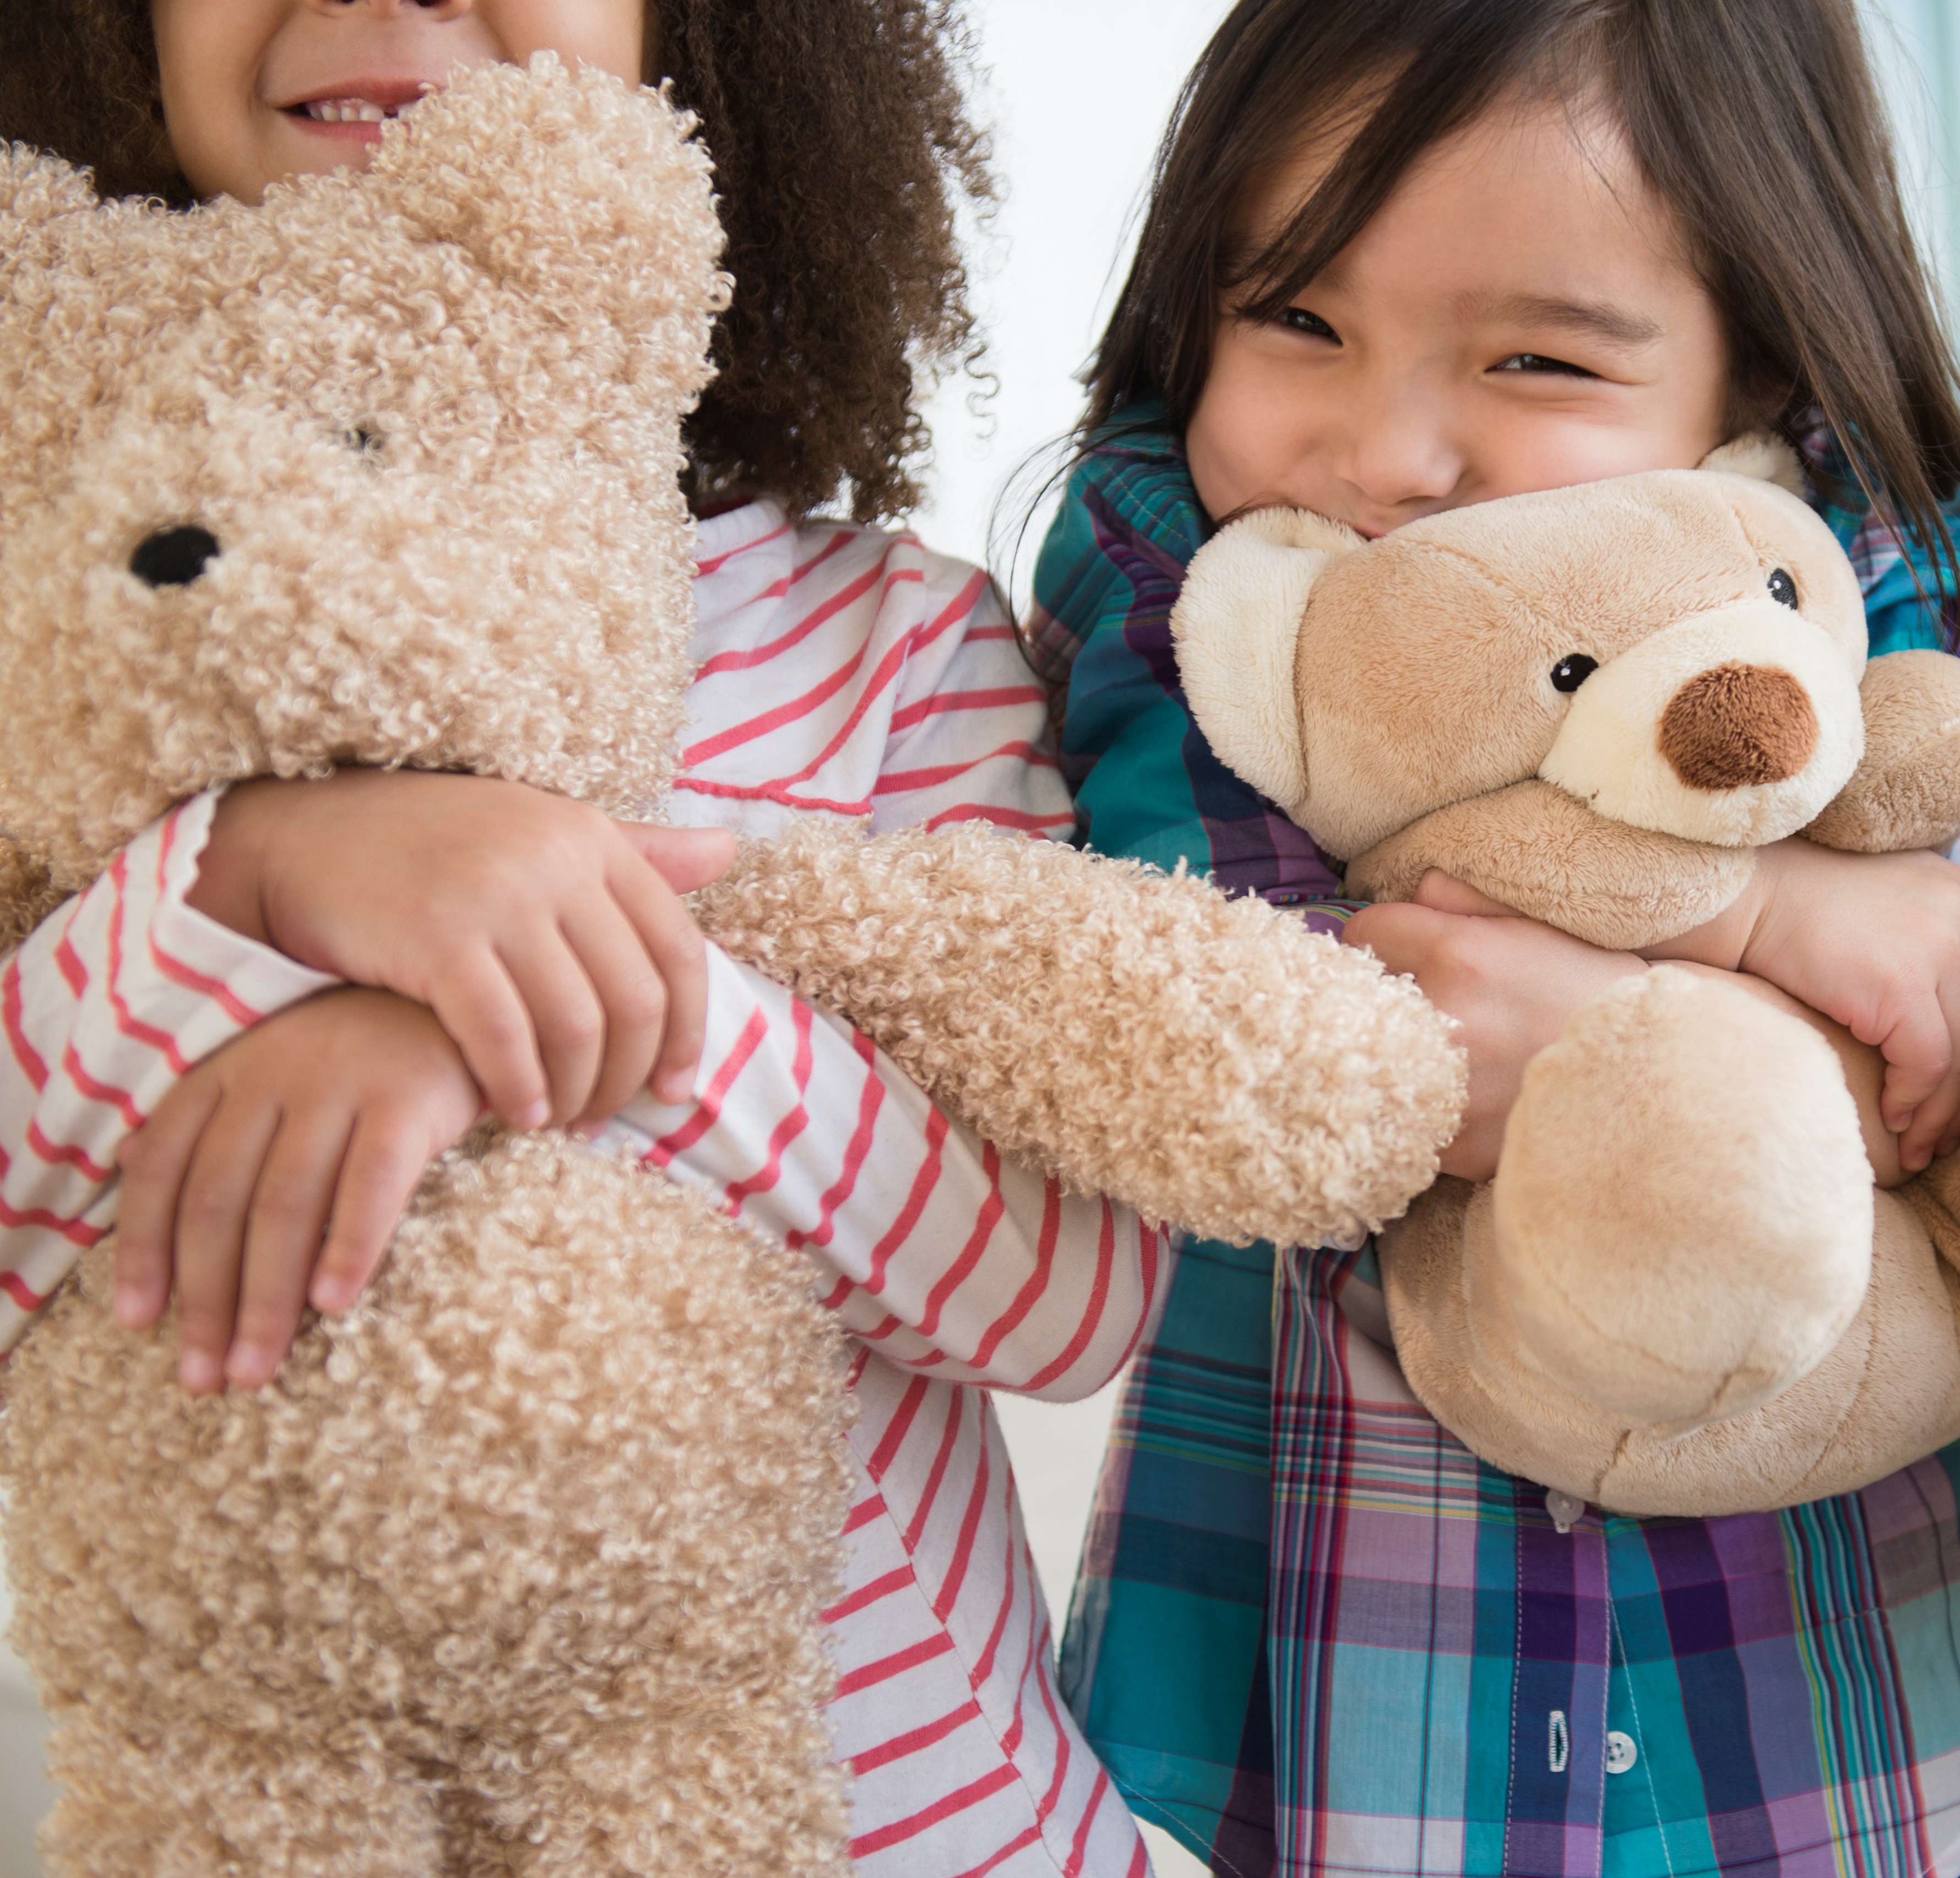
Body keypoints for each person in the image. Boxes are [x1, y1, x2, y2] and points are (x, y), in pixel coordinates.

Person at [0, 4, 1161, 1871]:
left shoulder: (888, 641)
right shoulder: (67, 644)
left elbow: (1063, 1303)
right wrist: (248, 887)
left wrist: (563, 989)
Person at [1029, 3, 1960, 1872]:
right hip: (1335, 1688)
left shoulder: (1849, 559)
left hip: (1842, 1684)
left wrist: (1642, 993)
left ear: (1745, 368)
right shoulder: (1182, 580)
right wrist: (1765, 933)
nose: (1389, 450)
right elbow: (1229, 987)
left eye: (1530, 356)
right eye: (1296, 320)